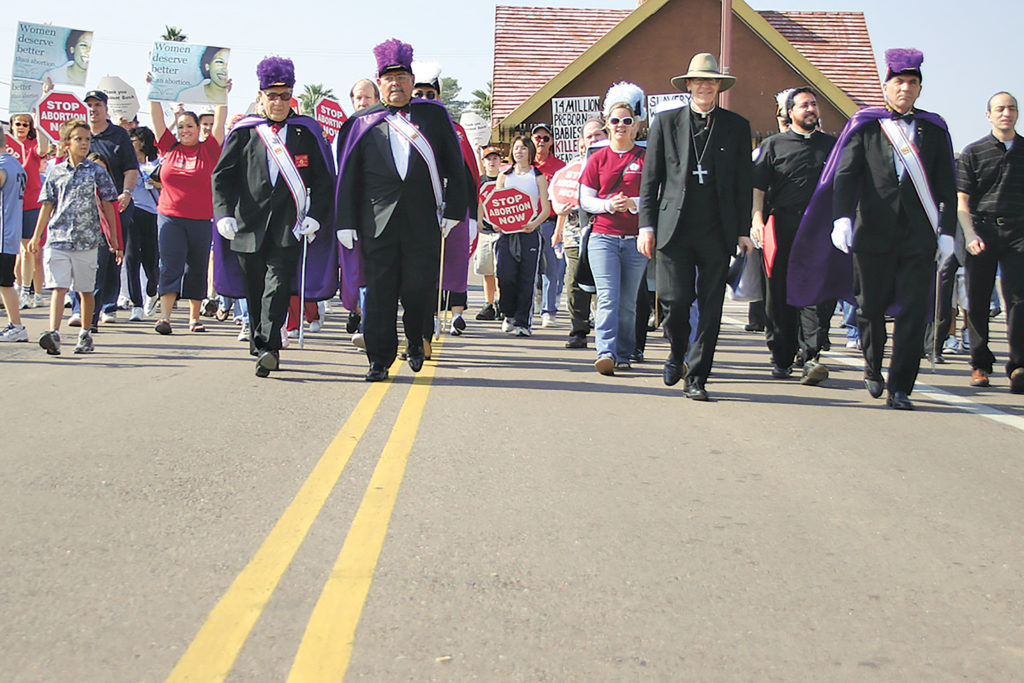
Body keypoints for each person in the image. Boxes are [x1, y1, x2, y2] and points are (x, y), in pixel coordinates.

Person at [824, 49, 957, 410]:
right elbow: (846, 176)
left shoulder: (934, 128)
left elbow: (947, 184)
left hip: (918, 236)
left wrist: (947, 232)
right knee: (870, 307)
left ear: (919, 89)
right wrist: (842, 218)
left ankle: (901, 386)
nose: (905, 89)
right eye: (899, 82)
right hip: (872, 231)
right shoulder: (867, 125)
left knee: (913, 312)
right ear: (886, 86)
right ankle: (872, 367)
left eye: (912, 83)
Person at [334, 39, 470, 381]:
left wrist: (454, 211)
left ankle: (415, 340)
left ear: (412, 80)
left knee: (418, 290)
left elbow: (456, 166)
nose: (396, 83)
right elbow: (348, 177)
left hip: (423, 222)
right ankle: (379, 360)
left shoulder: (434, 117)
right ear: (379, 82)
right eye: (389, 78)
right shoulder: (360, 123)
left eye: (402, 77)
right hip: (376, 224)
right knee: (379, 294)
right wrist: (345, 222)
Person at [638, 53, 755, 401]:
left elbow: (742, 183)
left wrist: (743, 229)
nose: (705, 86)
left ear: (719, 86)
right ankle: (677, 352)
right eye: (699, 81)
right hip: (674, 228)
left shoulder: (736, 125)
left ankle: (698, 376)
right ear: (688, 85)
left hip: (717, 230)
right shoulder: (666, 122)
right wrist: (646, 225)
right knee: (675, 302)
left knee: (711, 306)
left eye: (712, 81)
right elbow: (651, 179)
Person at [212, 56, 335, 377]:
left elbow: (323, 181)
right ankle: (260, 342)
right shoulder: (244, 132)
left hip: (288, 226)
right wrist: (224, 214)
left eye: (284, 96)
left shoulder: (306, 131)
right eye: (272, 95)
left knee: (277, 286)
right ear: (260, 96)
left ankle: (269, 346)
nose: (278, 102)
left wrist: (317, 216)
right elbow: (222, 177)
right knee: (254, 290)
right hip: (247, 225)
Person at [751, 87, 837, 385]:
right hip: (782, 225)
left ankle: (811, 355)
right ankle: (782, 356)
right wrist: (757, 219)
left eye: (814, 104)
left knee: (819, 293)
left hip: (820, 228)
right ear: (789, 112)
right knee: (779, 294)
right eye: (803, 105)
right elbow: (758, 187)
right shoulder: (773, 146)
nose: (810, 109)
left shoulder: (834, 145)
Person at [27, 119, 122, 355]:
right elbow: (47, 205)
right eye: (78, 139)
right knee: (58, 287)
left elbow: (109, 204)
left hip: (87, 239)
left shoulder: (97, 171)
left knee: (85, 289)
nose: (83, 143)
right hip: (58, 238)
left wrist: (114, 238)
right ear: (66, 143)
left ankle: (86, 334)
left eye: (87, 139)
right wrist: (36, 236)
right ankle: (53, 333)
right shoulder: (56, 171)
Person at [579, 83, 649, 375]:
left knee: (629, 301)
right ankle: (605, 351)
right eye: (615, 121)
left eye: (627, 121)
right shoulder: (597, 158)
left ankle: (624, 351)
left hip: (635, 240)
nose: (621, 126)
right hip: (603, 237)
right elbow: (585, 199)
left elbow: (656, 196)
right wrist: (609, 205)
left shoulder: (647, 157)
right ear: (607, 125)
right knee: (607, 297)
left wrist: (632, 203)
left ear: (637, 126)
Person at [957, 91, 1024, 393]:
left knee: (1019, 301)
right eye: (999, 109)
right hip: (982, 230)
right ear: (989, 115)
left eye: (1011, 108)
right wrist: (969, 234)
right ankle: (980, 363)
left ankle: (1019, 366)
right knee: (979, 300)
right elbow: (962, 200)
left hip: (1019, 232)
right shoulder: (974, 152)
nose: (1005, 113)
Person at [411, 59, 479, 340]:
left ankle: (451, 315)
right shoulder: (400, 127)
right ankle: (424, 322)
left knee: (451, 263)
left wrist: (471, 215)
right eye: (419, 95)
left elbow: (467, 175)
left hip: (447, 210)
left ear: (439, 98)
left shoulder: (454, 130)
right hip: (413, 210)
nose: (425, 100)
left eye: (430, 95)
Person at [148, 97, 226, 334]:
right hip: (170, 216)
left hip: (201, 219)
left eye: (189, 126)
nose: (184, 131)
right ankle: (165, 317)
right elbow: (157, 120)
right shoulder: (169, 147)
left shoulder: (210, 148)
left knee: (197, 267)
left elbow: (220, 123)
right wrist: (154, 93)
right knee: (170, 265)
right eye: (181, 126)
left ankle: (194, 318)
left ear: (198, 129)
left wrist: (222, 95)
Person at [83, 89, 139, 327]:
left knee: (112, 255)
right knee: (84, 258)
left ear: (106, 108)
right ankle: (81, 308)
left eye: (98, 104)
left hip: (115, 206)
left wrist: (126, 193)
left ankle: (108, 305)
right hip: (85, 208)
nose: (93, 109)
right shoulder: (81, 134)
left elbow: (130, 168)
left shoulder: (118, 135)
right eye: (90, 105)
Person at [554, 118, 606, 348]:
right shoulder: (569, 170)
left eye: (599, 134)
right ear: (581, 142)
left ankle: (608, 331)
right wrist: (559, 212)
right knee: (575, 280)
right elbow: (558, 200)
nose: (594, 139)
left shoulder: (614, 163)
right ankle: (578, 329)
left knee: (605, 283)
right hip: (575, 233)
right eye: (590, 136)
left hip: (606, 230)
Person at [495, 136, 551, 336]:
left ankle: (523, 322)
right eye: (516, 148)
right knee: (505, 275)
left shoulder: (538, 176)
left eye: (523, 148)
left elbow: (545, 208)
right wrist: (497, 223)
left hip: (530, 233)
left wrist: (534, 224)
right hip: (507, 235)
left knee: (527, 278)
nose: (519, 151)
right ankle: (508, 314)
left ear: (530, 151)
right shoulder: (504, 175)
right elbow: (496, 204)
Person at [7, 113, 49, 310]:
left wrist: (40, 112)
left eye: (26, 124)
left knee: (30, 250)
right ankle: (17, 286)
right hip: (9, 206)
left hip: (31, 205)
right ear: (12, 126)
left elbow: (43, 148)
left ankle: (29, 291)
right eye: (18, 124)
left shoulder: (32, 148)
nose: (22, 127)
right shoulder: (5, 148)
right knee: (16, 252)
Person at [530, 123, 566, 327]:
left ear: (551, 141)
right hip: (527, 223)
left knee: (551, 268)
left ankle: (548, 310)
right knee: (529, 268)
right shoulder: (526, 166)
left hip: (550, 223)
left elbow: (562, 200)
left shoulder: (560, 167)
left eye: (545, 138)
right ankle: (530, 304)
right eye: (537, 138)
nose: (541, 142)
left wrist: (560, 228)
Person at [126, 126, 161, 320]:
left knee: (151, 261)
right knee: (131, 258)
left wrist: (156, 183)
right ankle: (136, 305)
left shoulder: (157, 163)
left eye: (134, 141)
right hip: (132, 212)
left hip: (153, 214)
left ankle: (151, 292)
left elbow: (166, 187)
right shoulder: (127, 164)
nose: (131, 145)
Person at [0, 135, 29, 342]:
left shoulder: (3, 166)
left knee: (5, 282)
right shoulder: (15, 163)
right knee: (5, 281)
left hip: (3, 232)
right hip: (10, 230)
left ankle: (17, 325)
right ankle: (15, 325)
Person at [473, 145, 505, 321]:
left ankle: (502, 302)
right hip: (485, 231)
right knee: (487, 269)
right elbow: (478, 203)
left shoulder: (505, 179)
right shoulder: (481, 181)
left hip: (502, 231)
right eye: (489, 159)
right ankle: (488, 303)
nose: (492, 162)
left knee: (501, 269)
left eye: (495, 158)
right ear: (484, 162)